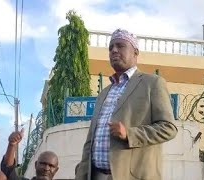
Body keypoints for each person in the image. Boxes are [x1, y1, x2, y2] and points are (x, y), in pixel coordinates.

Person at [75, 28, 178, 180]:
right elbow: (90, 141)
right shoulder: (104, 93)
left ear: (135, 52)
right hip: (96, 175)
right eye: (111, 48)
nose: (114, 50)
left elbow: (169, 128)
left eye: (120, 45)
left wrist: (129, 134)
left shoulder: (152, 83)